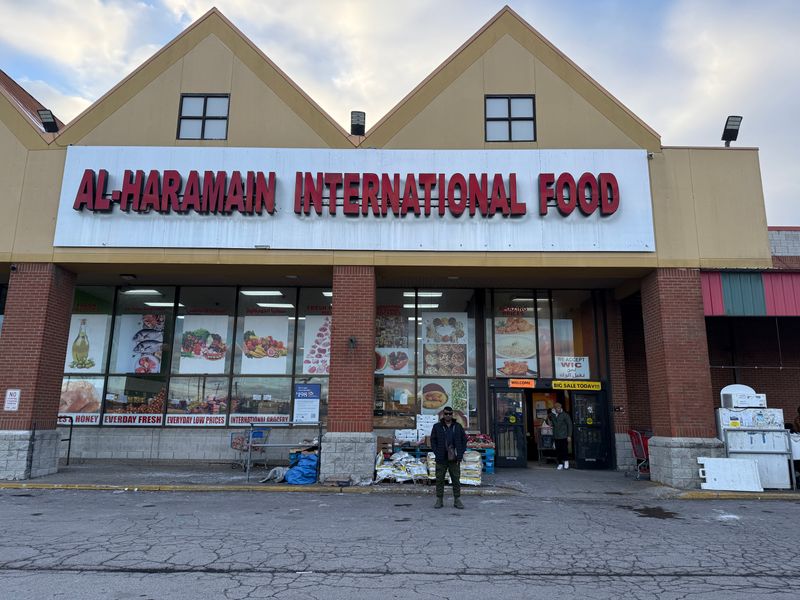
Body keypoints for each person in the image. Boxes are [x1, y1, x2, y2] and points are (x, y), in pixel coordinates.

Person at [430, 405, 467, 509]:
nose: (448, 416)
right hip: (441, 458)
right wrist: (437, 452)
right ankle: (439, 499)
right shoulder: (437, 426)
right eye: (446, 414)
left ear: (452, 415)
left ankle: (457, 499)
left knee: (456, 479)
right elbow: (433, 440)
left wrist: (460, 453)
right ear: (443, 414)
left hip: (454, 458)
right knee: (439, 479)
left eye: (450, 414)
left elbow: (464, 440)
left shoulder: (458, 426)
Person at [549, 402, 573, 470]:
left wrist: (569, 435)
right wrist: (549, 418)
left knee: (564, 449)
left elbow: (569, 425)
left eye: (559, 408)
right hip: (556, 436)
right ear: (555, 408)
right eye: (557, 408)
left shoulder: (565, 415)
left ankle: (566, 462)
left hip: (564, 435)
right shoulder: (552, 415)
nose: (558, 409)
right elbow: (550, 423)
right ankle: (560, 463)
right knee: (558, 450)